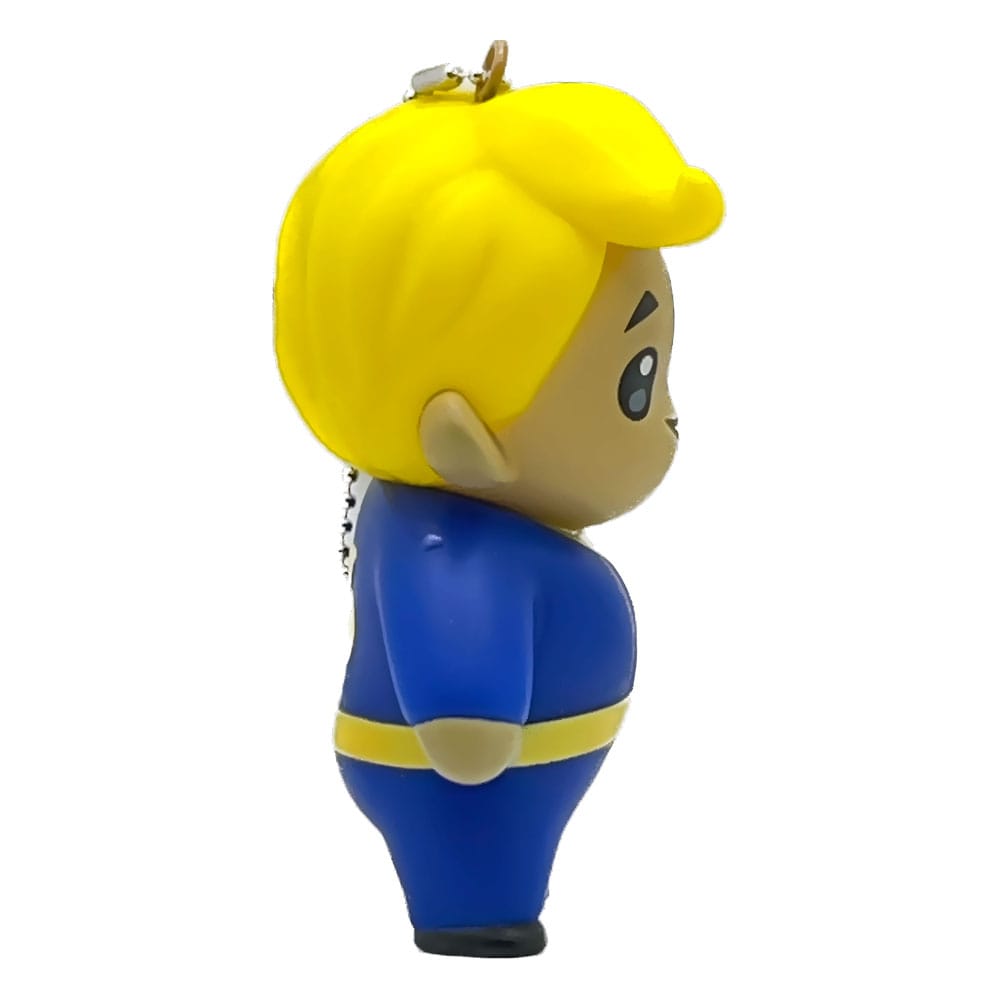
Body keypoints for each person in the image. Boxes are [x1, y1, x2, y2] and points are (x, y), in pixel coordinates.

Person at [274, 71, 723, 957]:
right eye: (637, 383)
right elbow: (466, 739)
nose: (668, 416)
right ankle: (471, 914)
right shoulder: (444, 550)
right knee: (480, 874)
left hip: (508, 778)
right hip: (460, 787)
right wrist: (470, 709)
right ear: (466, 441)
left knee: (495, 860)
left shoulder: (426, 517)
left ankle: (485, 903)